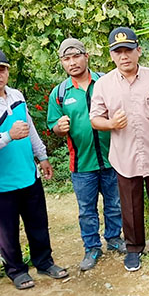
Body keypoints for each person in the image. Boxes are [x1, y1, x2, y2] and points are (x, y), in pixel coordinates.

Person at [0, 45, 68, 289]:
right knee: (8, 232)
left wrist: (42, 156)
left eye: (1, 69)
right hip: (0, 181)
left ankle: (44, 262)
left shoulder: (17, 96)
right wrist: (8, 136)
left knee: (38, 224)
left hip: (28, 174)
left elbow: (30, 127)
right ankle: (16, 270)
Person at [90, 27, 149, 272]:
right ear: (111, 55)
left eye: (128, 50)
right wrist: (110, 124)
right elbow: (95, 118)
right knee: (129, 205)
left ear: (138, 51)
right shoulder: (104, 85)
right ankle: (133, 248)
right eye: (118, 52)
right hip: (124, 157)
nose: (124, 56)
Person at [47, 38, 125, 272]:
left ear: (86, 56)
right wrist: (58, 127)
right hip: (81, 162)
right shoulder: (60, 93)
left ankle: (114, 239)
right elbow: (53, 123)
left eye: (76, 56)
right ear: (62, 62)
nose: (72, 62)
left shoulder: (106, 81)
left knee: (114, 204)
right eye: (66, 59)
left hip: (113, 156)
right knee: (86, 209)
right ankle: (91, 247)